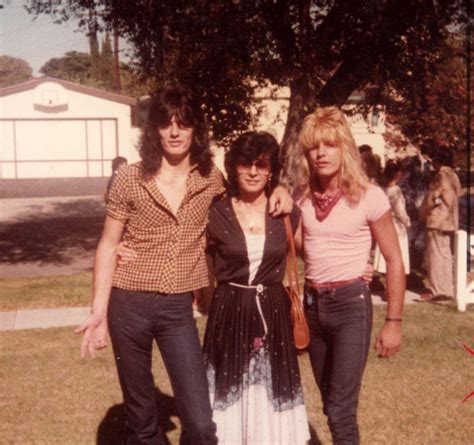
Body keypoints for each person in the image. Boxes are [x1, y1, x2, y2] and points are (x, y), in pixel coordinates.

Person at [75, 85, 292, 445]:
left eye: (183, 123)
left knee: (202, 423)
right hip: (128, 303)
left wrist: (280, 187)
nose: (174, 132)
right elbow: (108, 244)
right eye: (166, 123)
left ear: (196, 130)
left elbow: (248, 194)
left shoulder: (210, 180)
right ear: (154, 129)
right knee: (142, 423)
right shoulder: (130, 177)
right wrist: (98, 310)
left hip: (177, 308)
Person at [288, 106, 405, 444]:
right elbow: (296, 246)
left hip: (350, 306)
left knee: (340, 411)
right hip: (312, 307)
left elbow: (394, 260)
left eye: (330, 144)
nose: (321, 153)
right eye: (313, 146)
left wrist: (393, 322)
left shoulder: (369, 196)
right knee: (330, 405)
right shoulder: (301, 196)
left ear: (345, 148)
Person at [203, 131, 310, 444]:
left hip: (273, 312)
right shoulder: (216, 211)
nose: (252, 172)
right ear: (234, 166)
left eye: (261, 165)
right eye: (245, 164)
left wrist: (363, 267)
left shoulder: (286, 212)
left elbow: (314, 253)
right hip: (228, 312)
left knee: (268, 391)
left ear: (271, 170)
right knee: (229, 389)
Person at [419, 148, 462, 302]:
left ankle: (437, 290)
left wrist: (422, 214)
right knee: (445, 256)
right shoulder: (454, 176)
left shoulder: (440, 176)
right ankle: (446, 288)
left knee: (435, 256)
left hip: (437, 221)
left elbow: (430, 198)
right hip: (450, 221)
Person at [374, 159, 411, 281]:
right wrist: (407, 222)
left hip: (385, 224)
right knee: (397, 256)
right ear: (398, 174)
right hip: (397, 226)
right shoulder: (396, 191)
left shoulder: (382, 190)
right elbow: (400, 210)